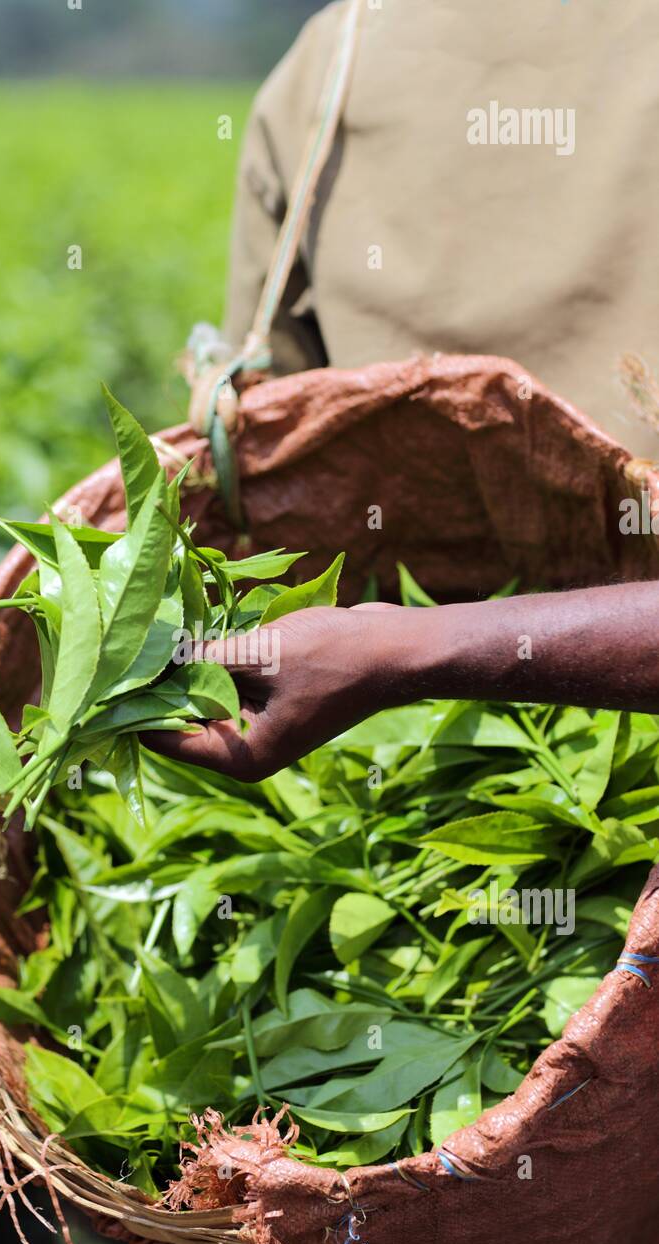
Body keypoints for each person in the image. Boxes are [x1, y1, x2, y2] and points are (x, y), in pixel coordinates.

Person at [149, 0, 659, 782]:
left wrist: (397, 650)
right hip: (465, 704)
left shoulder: (333, 59)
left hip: (374, 705)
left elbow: (276, 456)